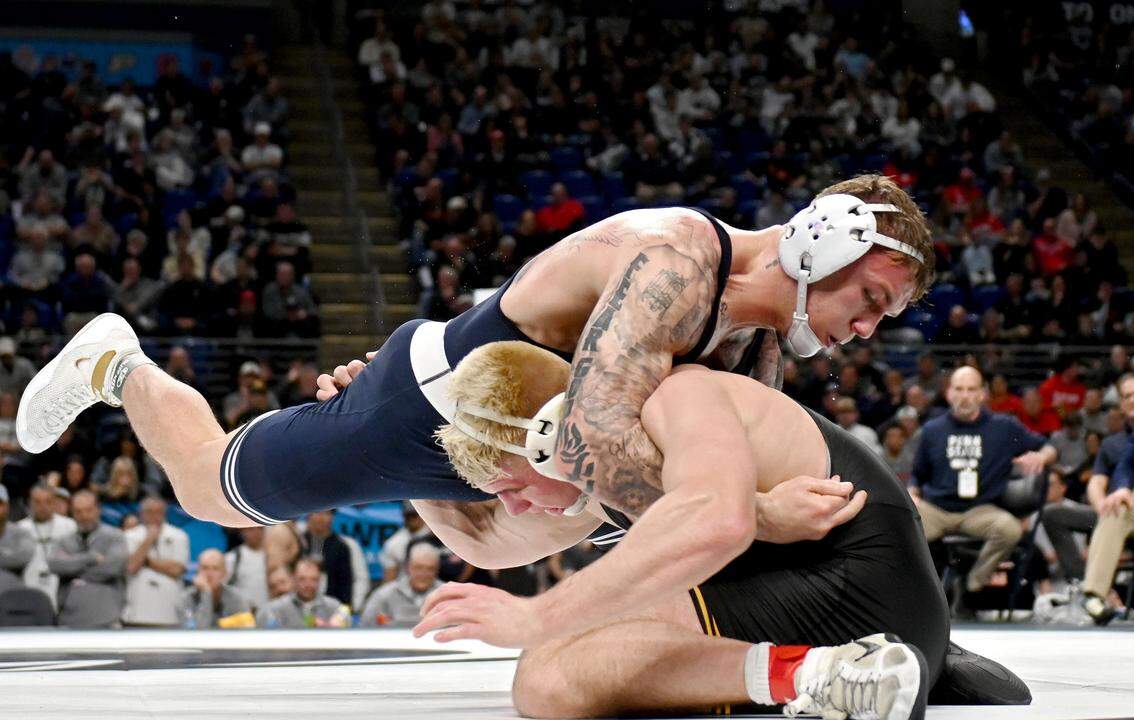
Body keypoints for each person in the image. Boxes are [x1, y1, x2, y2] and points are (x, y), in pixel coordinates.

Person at [17, 176, 930, 541]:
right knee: (213, 491)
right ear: (821, 247)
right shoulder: (680, 261)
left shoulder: (757, 340)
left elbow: (681, 480)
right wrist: (759, 517)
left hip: (523, 437)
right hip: (433, 403)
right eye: (871, 300)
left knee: (513, 546)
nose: (865, 329)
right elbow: (594, 443)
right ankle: (118, 362)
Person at [410, 340, 949, 720]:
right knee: (555, 660)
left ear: (549, 442)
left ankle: (821, 674)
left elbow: (717, 518)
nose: (513, 506)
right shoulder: (613, 466)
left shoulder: (674, 397)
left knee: (551, 674)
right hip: (840, 587)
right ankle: (843, 667)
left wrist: (535, 615)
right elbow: (488, 543)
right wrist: (382, 451)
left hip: (862, 590)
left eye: (511, 486)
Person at [909, 367, 1057, 604]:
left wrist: (1042, 457)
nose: (964, 395)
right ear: (949, 394)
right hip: (936, 508)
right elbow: (917, 476)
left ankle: (971, 586)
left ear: (982, 394)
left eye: (971, 389)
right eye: (959, 389)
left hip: (979, 509)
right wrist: (912, 495)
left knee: (1009, 529)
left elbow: (1049, 447)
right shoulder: (932, 430)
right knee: (899, 524)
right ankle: (918, 596)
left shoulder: (1005, 427)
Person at [1082, 374, 1134, 623]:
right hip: (1127, 506)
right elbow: (1107, 476)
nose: (1133, 400)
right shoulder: (1113, 443)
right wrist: (1105, 502)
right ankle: (1094, 596)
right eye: (1127, 396)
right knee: (1116, 509)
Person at [48, 489, 128, 628]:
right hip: (68, 619)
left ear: (98, 510)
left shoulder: (115, 537)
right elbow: (55, 565)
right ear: (72, 513)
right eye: (78, 511)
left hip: (106, 618)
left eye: (88, 510)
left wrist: (73, 568)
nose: (84, 516)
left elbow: (113, 568)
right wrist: (90, 558)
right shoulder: (64, 540)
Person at [121, 496, 189, 627]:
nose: (154, 516)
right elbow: (131, 566)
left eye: (158, 512)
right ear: (141, 514)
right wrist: (149, 539)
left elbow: (177, 570)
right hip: (136, 613)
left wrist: (145, 561)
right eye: (149, 512)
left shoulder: (179, 535)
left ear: (164, 513)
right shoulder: (129, 535)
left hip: (169, 613)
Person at [15, 482, 78, 610]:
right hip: (29, 585)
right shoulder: (20, 529)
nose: (42, 506)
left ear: (54, 502)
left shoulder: (69, 526)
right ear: (30, 503)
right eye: (37, 502)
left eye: (47, 501)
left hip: (61, 589)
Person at [360, 542, 443, 626]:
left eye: (430, 569)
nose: (423, 574)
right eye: (418, 567)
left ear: (437, 570)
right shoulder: (383, 595)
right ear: (408, 567)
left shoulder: (447, 594)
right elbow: (365, 626)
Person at [255, 557, 350, 628]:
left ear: (320, 580)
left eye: (313, 579)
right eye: (302, 579)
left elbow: (347, 633)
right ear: (293, 579)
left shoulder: (334, 607)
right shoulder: (276, 608)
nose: (308, 585)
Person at [182, 548, 253, 628]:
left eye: (215, 568)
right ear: (198, 572)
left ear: (224, 574)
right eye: (205, 568)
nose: (209, 574)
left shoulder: (237, 599)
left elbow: (245, 634)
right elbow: (197, 635)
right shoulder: (186, 598)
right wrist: (206, 593)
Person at [225, 527, 270, 609]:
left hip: (268, 612)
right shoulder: (233, 558)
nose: (256, 532)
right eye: (250, 529)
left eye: (260, 528)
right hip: (242, 614)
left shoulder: (272, 556)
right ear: (242, 531)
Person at [0, 485, 34, 592]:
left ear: (7, 506)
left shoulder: (21, 533)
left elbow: (23, 558)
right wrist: (6, 553)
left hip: (12, 595)